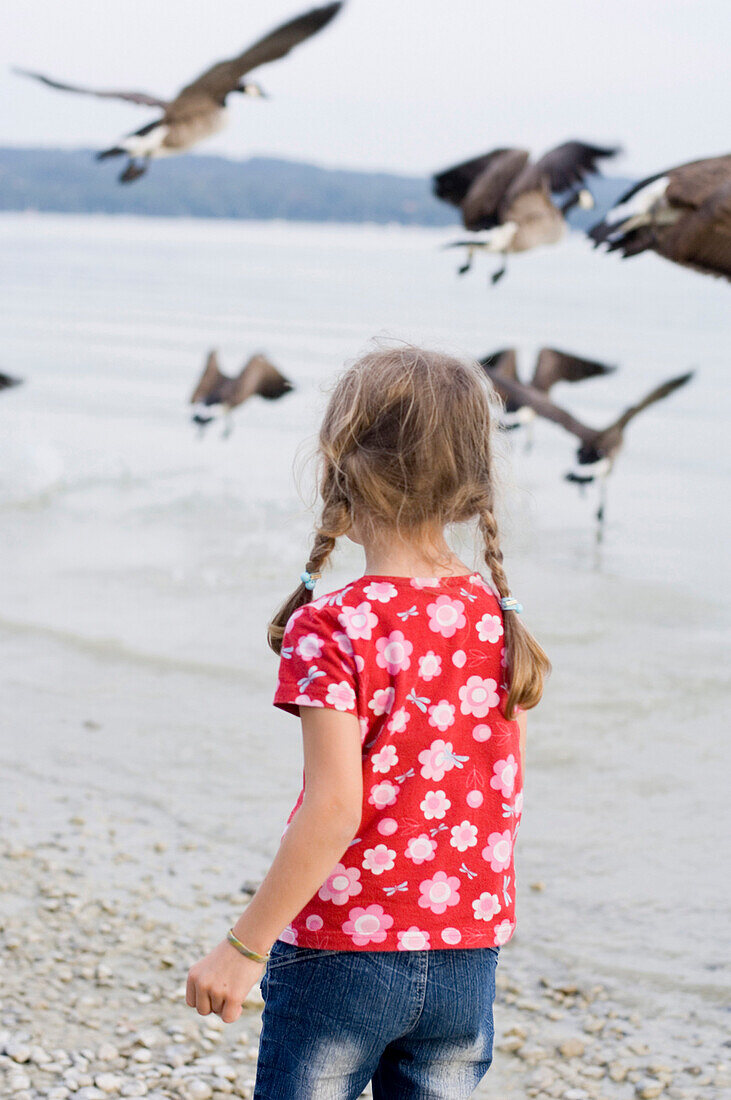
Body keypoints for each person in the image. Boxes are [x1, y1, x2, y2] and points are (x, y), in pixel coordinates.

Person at [186, 345, 550, 1099]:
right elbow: (496, 795)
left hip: (343, 956)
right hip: (466, 954)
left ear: (341, 468)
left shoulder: (337, 624)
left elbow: (335, 807)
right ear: (469, 482)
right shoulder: (493, 615)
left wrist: (242, 947)